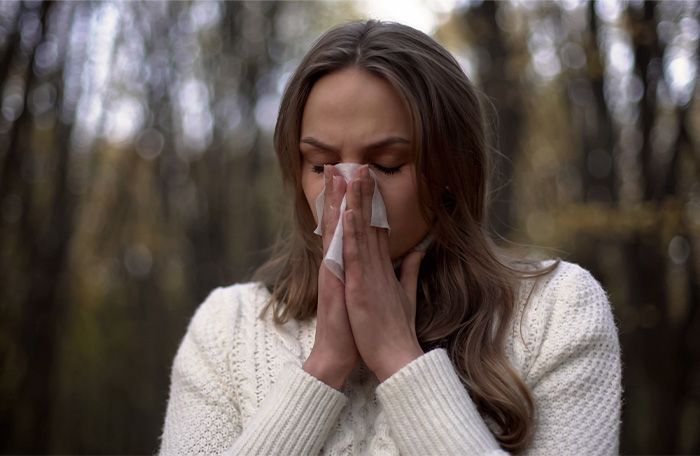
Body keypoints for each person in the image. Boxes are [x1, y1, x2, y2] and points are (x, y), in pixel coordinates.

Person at [158, 19, 622, 455]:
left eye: (386, 164)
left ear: (450, 171)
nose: (348, 193)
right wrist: (321, 370)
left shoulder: (557, 310)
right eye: (320, 165)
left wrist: (400, 359)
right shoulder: (228, 327)